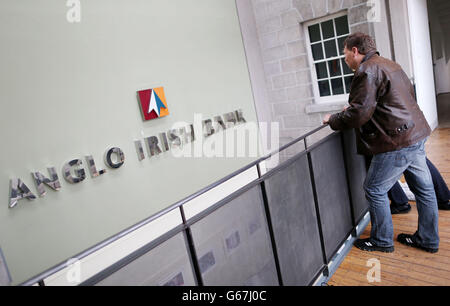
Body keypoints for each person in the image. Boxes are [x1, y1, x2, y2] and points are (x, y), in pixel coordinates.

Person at [323, 32, 439, 253]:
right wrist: (359, 107)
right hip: (416, 134)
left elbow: (359, 115)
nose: (345, 59)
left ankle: (381, 240)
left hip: (397, 141)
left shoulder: (366, 70)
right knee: (424, 190)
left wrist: (333, 120)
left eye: (346, 54)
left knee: (374, 189)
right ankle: (428, 240)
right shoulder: (389, 64)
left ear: (355, 51)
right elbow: (392, 99)